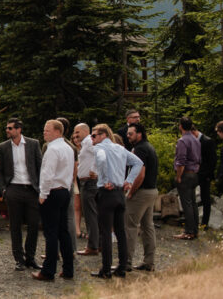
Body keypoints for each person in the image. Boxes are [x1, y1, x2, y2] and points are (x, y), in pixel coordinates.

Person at [91, 124, 142, 279]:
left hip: (107, 192)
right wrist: (129, 180)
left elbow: (100, 159)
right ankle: (122, 267)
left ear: (103, 135)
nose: (92, 139)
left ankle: (106, 269)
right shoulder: (120, 148)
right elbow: (138, 162)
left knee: (106, 232)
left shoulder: (99, 148)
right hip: (120, 192)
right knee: (120, 231)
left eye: (94, 135)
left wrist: (105, 179)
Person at [0, 118, 42, 272]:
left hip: (31, 188)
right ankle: (19, 259)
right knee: (15, 226)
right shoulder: (3, 147)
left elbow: (39, 165)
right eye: (7, 128)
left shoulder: (33, 144)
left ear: (18, 129)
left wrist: (40, 187)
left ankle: (31, 257)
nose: (7, 131)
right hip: (13, 188)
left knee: (34, 225)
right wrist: (4, 188)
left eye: (10, 128)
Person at [32, 120, 75, 282]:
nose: (44, 133)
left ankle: (48, 271)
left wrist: (43, 194)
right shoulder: (68, 148)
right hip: (64, 190)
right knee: (63, 231)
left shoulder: (53, 150)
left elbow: (47, 174)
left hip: (52, 192)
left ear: (58, 131)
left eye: (47, 130)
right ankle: (68, 269)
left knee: (51, 233)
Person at [125, 122, 158, 271]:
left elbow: (140, 173)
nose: (128, 136)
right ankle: (149, 262)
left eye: (130, 133)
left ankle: (125, 262)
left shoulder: (140, 149)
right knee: (147, 226)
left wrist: (131, 191)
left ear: (139, 134)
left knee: (129, 225)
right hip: (152, 191)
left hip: (141, 192)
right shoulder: (149, 147)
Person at [72, 123, 99, 256]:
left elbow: (100, 154)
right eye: (74, 132)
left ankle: (93, 246)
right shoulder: (85, 144)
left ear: (85, 131)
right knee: (91, 214)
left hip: (89, 182)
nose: (75, 135)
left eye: (77, 132)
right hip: (86, 182)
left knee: (90, 215)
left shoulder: (89, 141)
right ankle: (96, 244)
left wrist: (95, 170)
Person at [174, 116, 202, 239]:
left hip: (185, 174)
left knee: (187, 204)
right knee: (193, 203)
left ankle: (189, 231)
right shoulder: (196, 139)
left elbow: (181, 161)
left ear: (180, 126)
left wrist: (178, 176)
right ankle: (195, 230)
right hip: (195, 173)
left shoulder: (182, 141)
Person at [193, 125, 217, 229]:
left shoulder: (208, 141)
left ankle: (205, 223)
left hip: (205, 174)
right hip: (195, 173)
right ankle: (194, 220)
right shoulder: (193, 141)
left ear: (194, 131)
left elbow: (213, 160)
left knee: (205, 198)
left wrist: (208, 175)